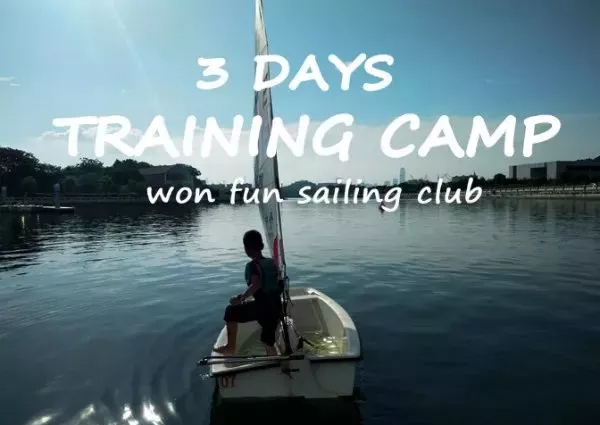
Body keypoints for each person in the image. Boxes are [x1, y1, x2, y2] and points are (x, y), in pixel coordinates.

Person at [213, 230, 283, 356]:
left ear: (246, 248)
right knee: (267, 341)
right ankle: (277, 362)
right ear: (261, 245)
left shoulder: (253, 266)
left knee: (230, 311)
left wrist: (241, 298)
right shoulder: (272, 263)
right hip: (277, 307)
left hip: (263, 309)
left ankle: (230, 347)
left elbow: (256, 284)